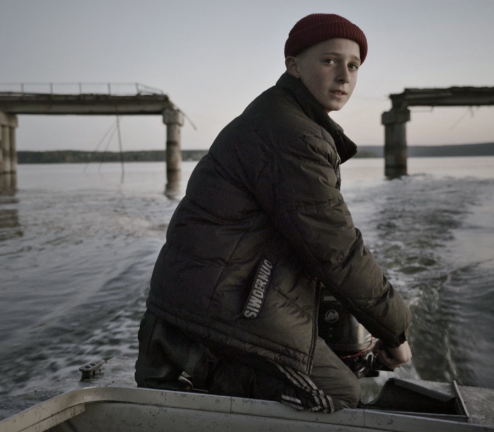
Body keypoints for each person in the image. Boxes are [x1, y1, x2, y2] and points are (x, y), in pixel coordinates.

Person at [135, 13, 412, 412]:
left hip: (208, 295)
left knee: (343, 339)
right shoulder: (293, 134)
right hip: (210, 311)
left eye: (353, 66)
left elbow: (320, 248)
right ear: (294, 65)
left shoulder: (285, 117)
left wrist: (374, 322)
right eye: (330, 61)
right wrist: (396, 332)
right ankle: (197, 362)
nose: (344, 76)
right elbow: (337, 252)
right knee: (340, 396)